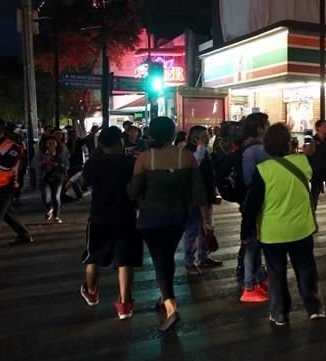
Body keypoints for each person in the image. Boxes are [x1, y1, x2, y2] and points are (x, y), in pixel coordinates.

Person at [127, 117, 211, 331]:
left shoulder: (145, 158)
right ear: (173, 134)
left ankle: (171, 308)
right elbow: (199, 192)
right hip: (178, 217)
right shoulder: (187, 157)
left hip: (151, 218)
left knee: (160, 259)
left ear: (152, 134)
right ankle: (164, 295)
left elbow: (133, 192)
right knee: (167, 256)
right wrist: (207, 221)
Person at [242, 123, 325, 326]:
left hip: (273, 233)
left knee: (276, 273)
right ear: (289, 144)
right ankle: (314, 309)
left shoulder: (263, 171)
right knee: (306, 269)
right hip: (301, 229)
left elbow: (252, 205)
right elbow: (313, 166)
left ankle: (280, 314)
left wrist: (246, 230)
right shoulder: (302, 163)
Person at [78, 127, 142, 320]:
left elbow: (82, 184)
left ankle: (91, 291)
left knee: (93, 257)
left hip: (99, 217)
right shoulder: (131, 163)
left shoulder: (93, 163)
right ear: (119, 143)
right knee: (125, 261)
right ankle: (125, 304)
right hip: (126, 216)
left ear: (101, 144)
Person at [238, 113, 271, 302]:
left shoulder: (246, 146)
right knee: (252, 243)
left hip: (248, 201)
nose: (268, 127)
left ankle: (257, 278)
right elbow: (255, 180)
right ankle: (249, 286)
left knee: (254, 241)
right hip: (256, 202)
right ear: (259, 128)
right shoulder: (258, 150)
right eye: (266, 124)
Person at [0, 119, 33, 254]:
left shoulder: (13, 146)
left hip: (5, 187)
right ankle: (23, 234)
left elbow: (8, 163)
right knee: (6, 212)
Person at [182, 125, 221, 273]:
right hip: (194, 198)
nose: (208, 138)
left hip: (207, 196)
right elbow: (194, 169)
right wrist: (200, 149)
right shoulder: (188, 153)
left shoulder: (205, 151)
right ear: (194, 138)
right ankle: (190, 262)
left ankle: (203, 257)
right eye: (205, 136)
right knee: (192, 230)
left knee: (206, 228)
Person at [38, 135, 68, 223]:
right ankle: (49, 208)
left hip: (57, 177)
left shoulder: (61, 154)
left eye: (53, 143)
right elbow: (35, 164)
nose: (51, 145)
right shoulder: (42, 154)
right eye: (49, 143)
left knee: (56, 196)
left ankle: (56, 216)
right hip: (45, 177)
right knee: (46, 196)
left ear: (56, 144)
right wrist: (42, 164)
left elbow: (66, 165)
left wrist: (55, 164)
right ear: (46, 144)